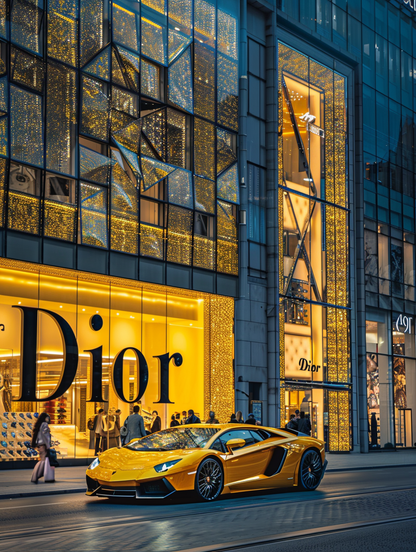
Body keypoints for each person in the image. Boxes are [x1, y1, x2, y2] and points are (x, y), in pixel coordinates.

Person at [31, 412, 55, 483]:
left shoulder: (39, 425)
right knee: (43, 460)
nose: (48, 419)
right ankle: (37, 476)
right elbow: (46, 436)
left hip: (39, 444)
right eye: (47, 417)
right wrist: (48, 445)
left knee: (41, 460)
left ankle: (35, 476)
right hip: (43, 444)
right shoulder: (44, 425)